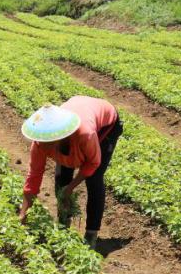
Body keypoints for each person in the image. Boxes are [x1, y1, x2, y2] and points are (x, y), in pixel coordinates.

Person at [18, 97, 122, 248]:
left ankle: (91, 233)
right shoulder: (40, 143)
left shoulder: (85, 134)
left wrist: (71, 187)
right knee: (62, 179)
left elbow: (93, 162)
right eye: (43, 141)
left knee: (94, 178)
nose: (46, 146)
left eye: (50, 142)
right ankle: (63, 223)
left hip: (106, 124)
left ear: (60, 136)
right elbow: (34, 176)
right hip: (79, 110)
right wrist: (24, 212)